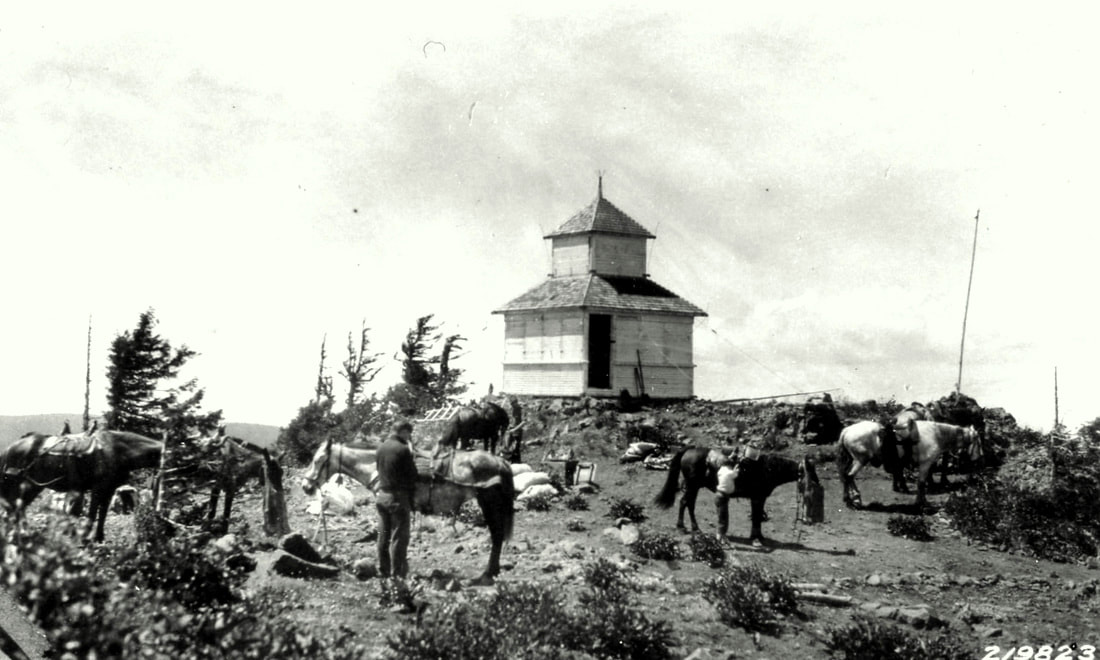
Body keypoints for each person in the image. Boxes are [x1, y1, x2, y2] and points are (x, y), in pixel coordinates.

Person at [375, 420, 419, 578]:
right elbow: (413, 475)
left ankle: (383, 572)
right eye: (408, 433)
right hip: (397, 499)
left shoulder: (381, 448)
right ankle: (397, 576)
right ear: (403, 432)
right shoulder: (403, 449)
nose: (409, 437)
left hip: (382, 497)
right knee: (399, 539)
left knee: (383, 536)